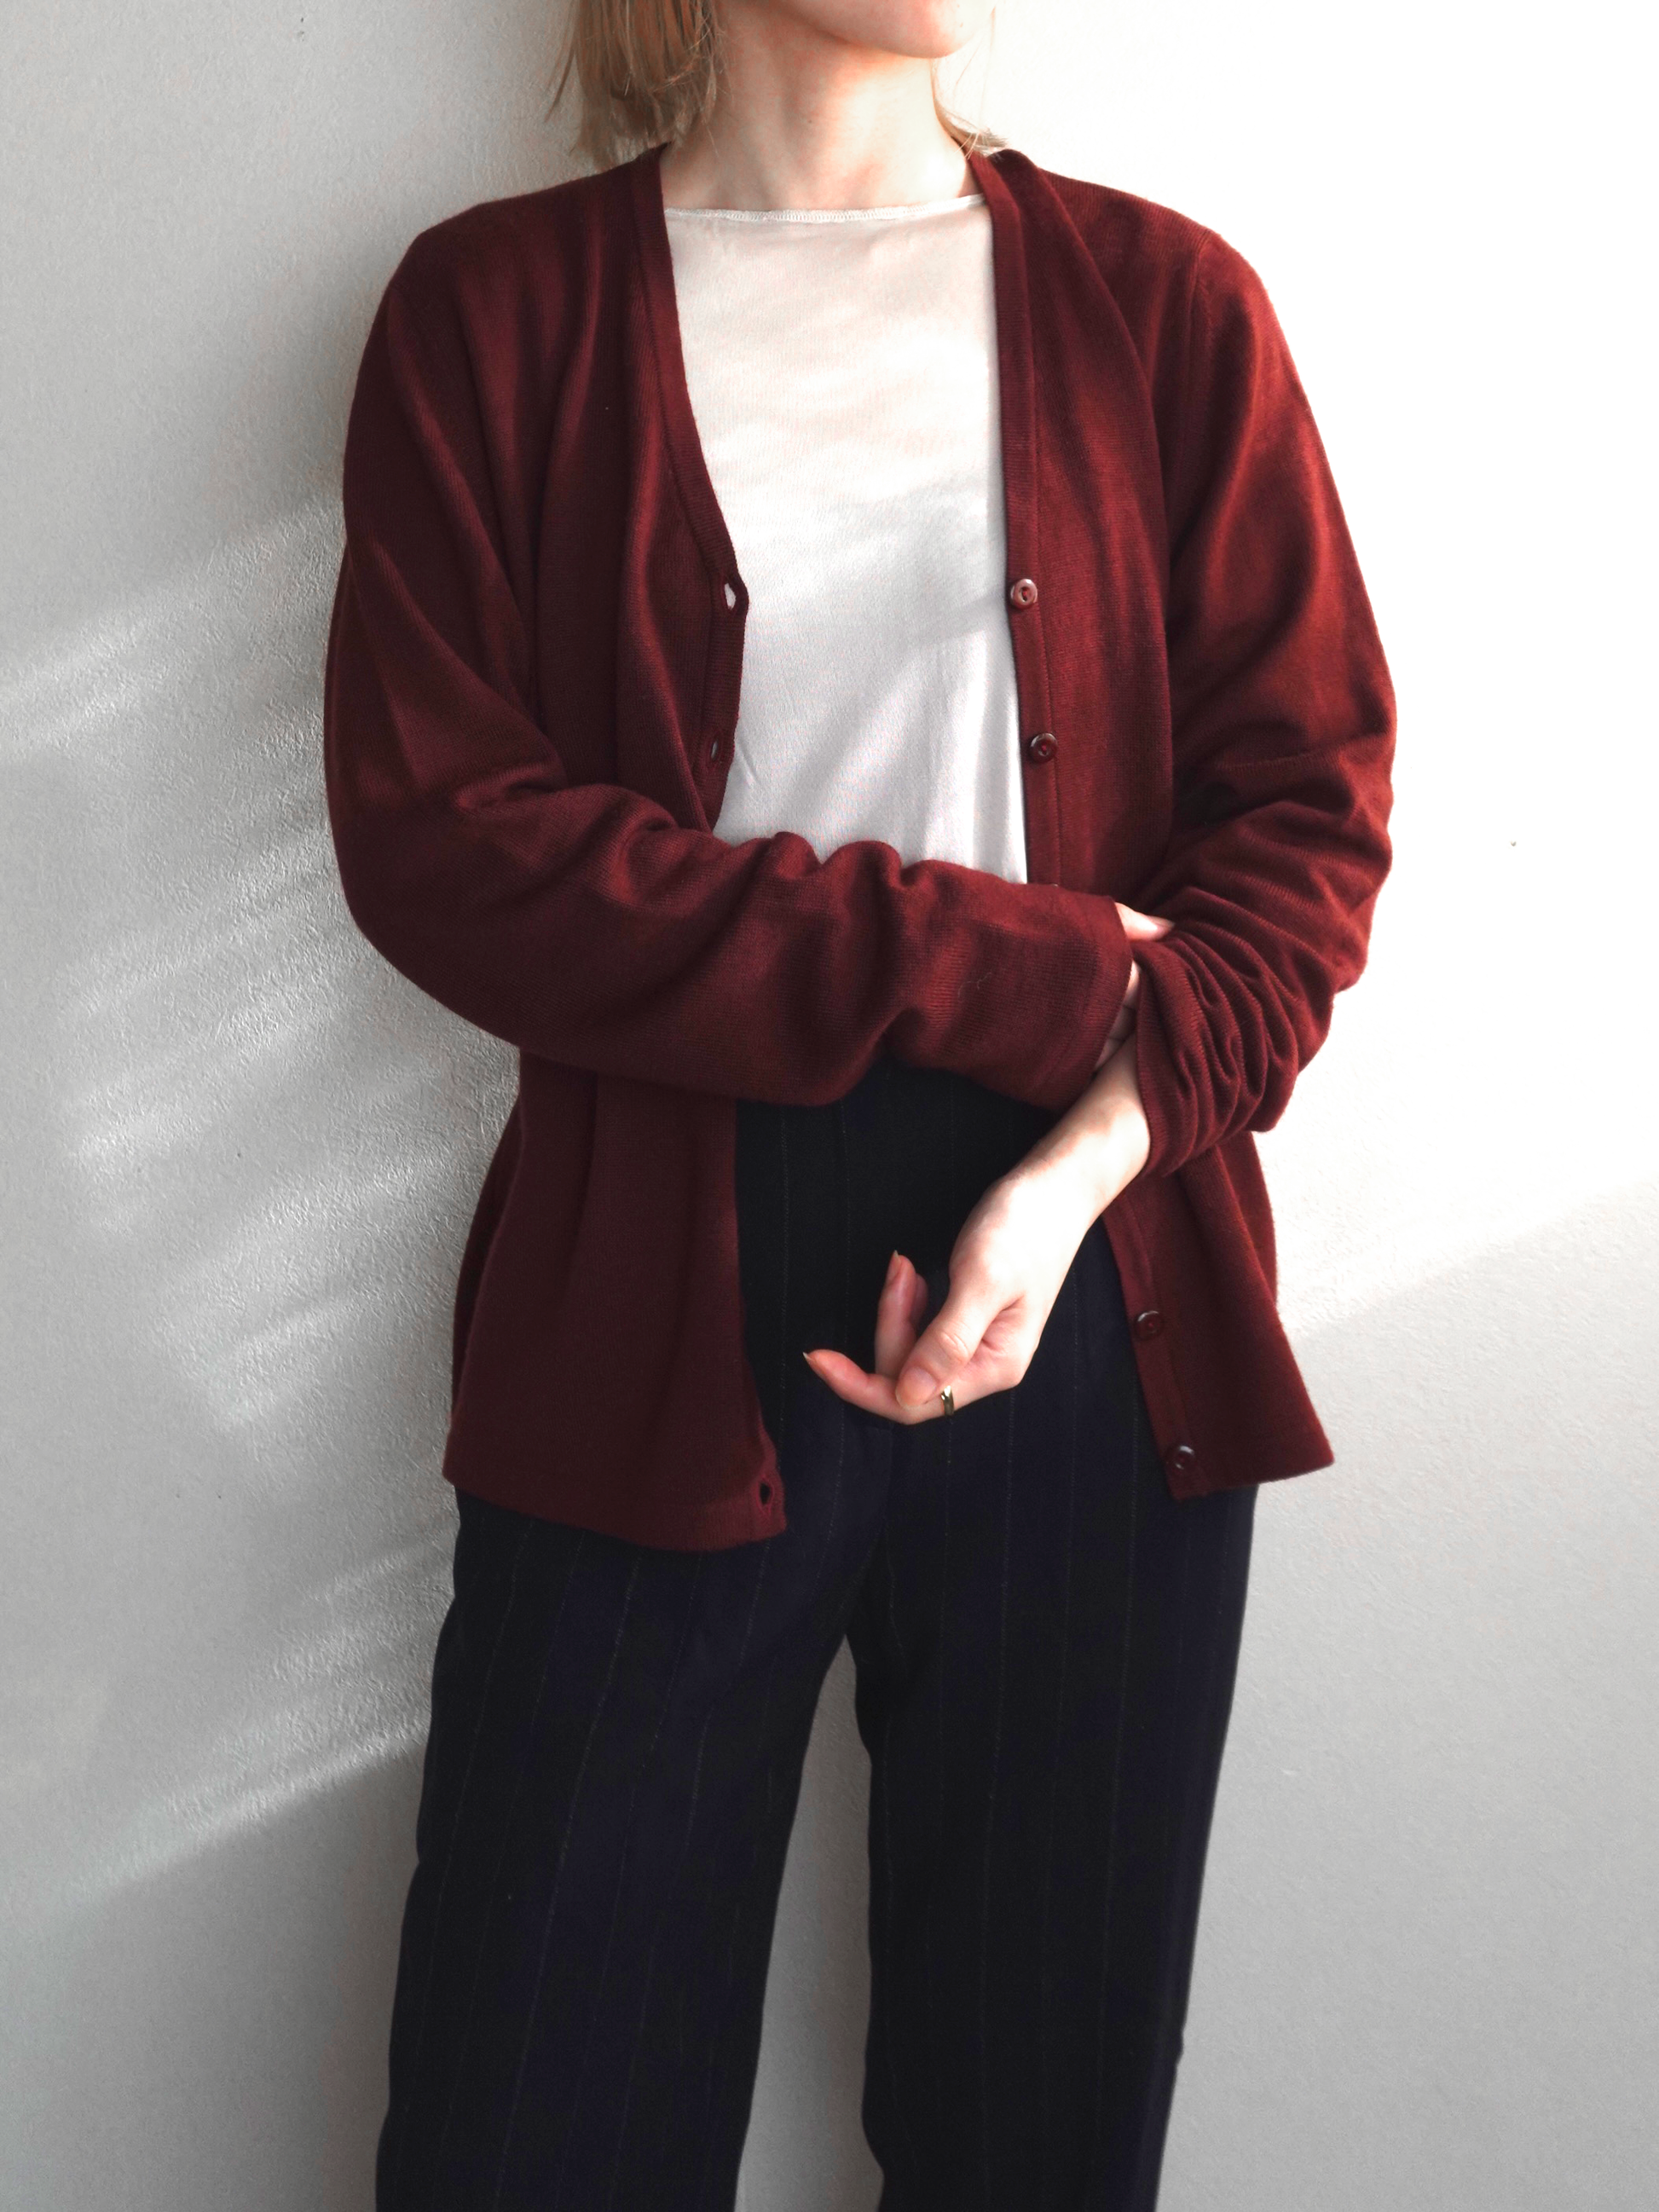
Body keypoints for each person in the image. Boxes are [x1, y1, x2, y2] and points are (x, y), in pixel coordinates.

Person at [321, 2, 1395, 2204]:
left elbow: (1304, 843)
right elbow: (444, 846)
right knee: (532, 2128)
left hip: (1099, 1291)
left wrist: (1068, 1180)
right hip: (648, 1285)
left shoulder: (1167, 308)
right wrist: (993, 957)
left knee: (1035, 2141)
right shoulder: (493, 312)